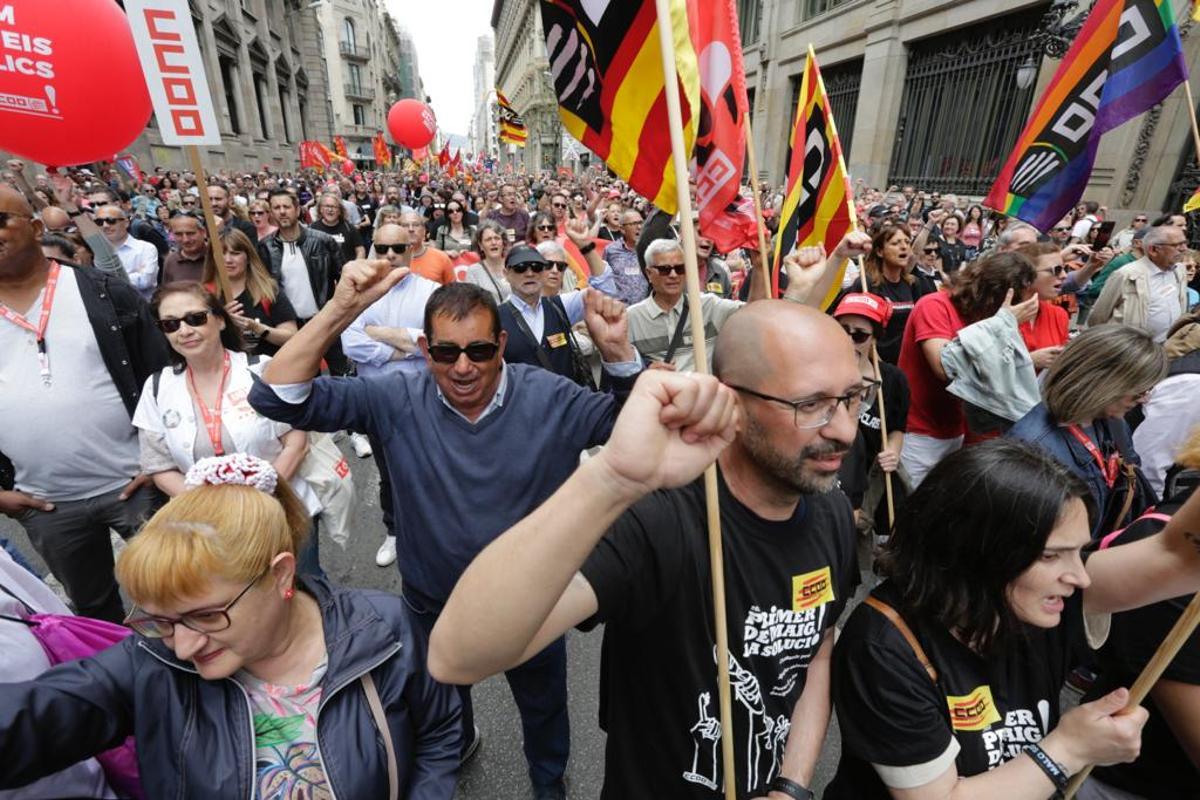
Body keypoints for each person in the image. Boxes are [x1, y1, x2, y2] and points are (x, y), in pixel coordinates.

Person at [428, 301, 866, 798]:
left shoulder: (830, 511)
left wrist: (792, 785)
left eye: (852, 397)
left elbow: (816, 650)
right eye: (810, 406)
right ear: (734, 405)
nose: (845, 429)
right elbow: (457, 656)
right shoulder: (658, 518)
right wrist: (613, 478)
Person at [249, 267, 641, 800]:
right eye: (445, 352)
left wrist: (618, 352)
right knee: (441, 713)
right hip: (432, 604)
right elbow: (278, 399)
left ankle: (549, 786)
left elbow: (633, 429)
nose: (462, 368)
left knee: (544, 712)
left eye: (479, 351)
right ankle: (454, 758)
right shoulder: (393, 395)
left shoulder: (549, 396)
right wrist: (341, 310)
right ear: (424, 348)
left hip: (532, 606)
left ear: (502, 344)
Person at [0, 454, 462, 799]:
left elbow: (439, 733)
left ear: (280, 574)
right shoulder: (149, 667)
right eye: (161, 621)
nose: (182, 647)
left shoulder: (384, 628)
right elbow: (35, 718)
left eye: (206, 615)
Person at [824, 437, 1200, 799]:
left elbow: (1178, 556)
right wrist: (1069, 748)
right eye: (1052, 556)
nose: (1082, 578)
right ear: (977, 551)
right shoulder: (885, 647)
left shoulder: (1031, 597)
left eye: (1079, 552)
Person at [0, 186, 168, 623]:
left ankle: (198, 677)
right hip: (46, 505)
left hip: (135, 485)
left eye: (0, 220)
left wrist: (159, 460)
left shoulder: (103, 292)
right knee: (93, 609)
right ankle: (119, 684)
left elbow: (161, 379)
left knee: (178, 587)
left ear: (36, 228)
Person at [135, 282, 322, 575]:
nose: (184, 331)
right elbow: (158, 465)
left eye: (195, 318)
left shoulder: (263, 369)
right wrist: (212, 510)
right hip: (211, 529)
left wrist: (258, 499)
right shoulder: (157, 387)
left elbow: (296, 443)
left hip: (281, 513)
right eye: (171, 324)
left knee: (305, 592)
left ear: (220, 320)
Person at [340, 223, 442, 570]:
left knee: (430, 468)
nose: (390, 256)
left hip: (424, 399)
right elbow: (350, 343)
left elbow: (435, 341)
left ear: (411, 249)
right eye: (382, 249)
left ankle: (431, 531)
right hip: (377, 401)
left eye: (397, 248)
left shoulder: (431, 291)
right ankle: (395, 531)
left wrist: (380, 333)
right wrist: (407, 346)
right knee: (389, 472)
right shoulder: (359, 292)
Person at [1008, 325, 1165, 537]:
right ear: (1104, 384)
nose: (1144, 399)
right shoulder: (1031, 448)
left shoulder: (1113, 420)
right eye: (1139, 391)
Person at [898, 251, 1037, 487]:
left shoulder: (987, 318)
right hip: (919, 432)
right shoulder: (934, 305)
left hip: (956, 429)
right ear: (994, 293)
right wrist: (1002, 323)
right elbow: (944, 366)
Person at [497, 222, 614, 384]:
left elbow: (605, 292)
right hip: (524, 407)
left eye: (537, 267)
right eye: (520, 267)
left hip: (567, 403)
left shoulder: (559, 305)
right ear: (506, 273)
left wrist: (585, 246)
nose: (529, 273)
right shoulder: (495, 317)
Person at [833, 293, 908, 535]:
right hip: (828, 481)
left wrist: (893, 451)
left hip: (870, 484)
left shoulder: (893, 380)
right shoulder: (821, 374)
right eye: (842, 330)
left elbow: (898, 427)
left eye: (859, 335)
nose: (848, 339)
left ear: (874, 339)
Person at [205, 228, 298, 357]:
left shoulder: (268, 290)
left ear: (248, 257)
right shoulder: (205, 295)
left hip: (268, 370)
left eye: (235, 253)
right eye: (222, 253)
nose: (228, 260)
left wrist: (257, 328)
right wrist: (220, 320)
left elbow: (291, 336)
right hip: (226, 372)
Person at [1090, 225, 1190, 342]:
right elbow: (1098, 317)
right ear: (1153, 250)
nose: (1184, 249)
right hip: (1131, 350)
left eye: (1184, 243)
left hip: (1166, 348)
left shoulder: (1180, 270)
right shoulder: (1126, 274)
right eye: (1177, 245)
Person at [258, 190, 342, 326]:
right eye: (277, 208)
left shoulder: (323, 241)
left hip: (323, 321)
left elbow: (342, 277)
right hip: (287, 326)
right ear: (271, 214)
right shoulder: (265, 247)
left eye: (286, 207)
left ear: (297, 210)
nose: (282, 212)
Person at [857, 221, 938, 363]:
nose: (904, 247)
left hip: (906, 364)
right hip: (877, 366)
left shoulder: (913, 284)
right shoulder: (867, 284)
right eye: (896, 243)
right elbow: (859, 332)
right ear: (880, 251)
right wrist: (883, 369)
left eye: (907, 242)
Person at [1015, 242, 1070, 372]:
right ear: (1026, 277)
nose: (1064, 275)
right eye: (1056, 270)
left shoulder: (1059, 315)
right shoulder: (995, 314)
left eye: (1064, 268)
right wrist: (1029, 361)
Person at [93, 204, 158, 300]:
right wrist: (133, 276)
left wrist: (107, 280)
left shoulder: (146, 248)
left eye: (111, 221)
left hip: (142, 308)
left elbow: (145, 281)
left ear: (126, 223)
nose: (105, 225)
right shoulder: (94, 250)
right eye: (99, 222)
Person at [601, 208, 649, 305]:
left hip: (645, 310)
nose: (639, 227)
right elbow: (603, 279)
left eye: (641, 222)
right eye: (634, 224)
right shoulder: (611, 250)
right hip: (619, 310)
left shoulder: (649, 249)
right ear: (622, 229)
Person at [309, 191, 365, 269]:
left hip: (346, 275)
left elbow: (360, 250)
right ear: (320, 209)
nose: (330, 210)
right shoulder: (312, 229)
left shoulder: (349, 228)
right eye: (327, 206)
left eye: (334, 207)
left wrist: (355, 267)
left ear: (339, 211)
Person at [399, 210, 455, 284]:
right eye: (405, 225)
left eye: (416, 225)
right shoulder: (391, 259)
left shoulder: (441, 258)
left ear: (424, 231)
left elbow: (453, 291)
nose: (411, 229)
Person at [463, 220, 511, 302]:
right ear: (481, 245)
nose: (493, 242)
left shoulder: (514, 265)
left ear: (503, 242)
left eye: (497, 238)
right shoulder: (474, 271)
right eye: (488, 240)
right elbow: (470, 303)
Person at [162, 212, 209, 284]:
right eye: (179, 234)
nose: (185, 240)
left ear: (203, 233)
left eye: (190, 233)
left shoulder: (216, 257)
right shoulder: (170, 261)